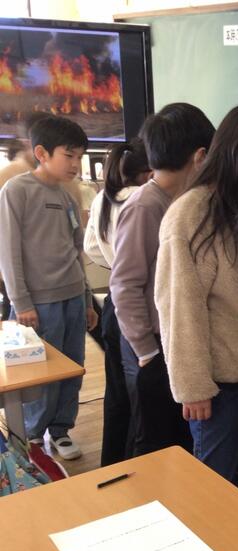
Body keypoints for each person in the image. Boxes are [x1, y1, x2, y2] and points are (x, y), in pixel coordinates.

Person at [155, 104, 238, 492]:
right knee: (214, 487)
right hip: (215, 384)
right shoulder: (191, 213)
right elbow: (180, 307)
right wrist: (193, 387)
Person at [110, 103, 215, 457]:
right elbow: (124, 285)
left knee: (173, 440)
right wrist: (146, 352)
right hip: (150, 344)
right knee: (153, 441)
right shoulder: (146, 205)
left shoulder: (180, 201)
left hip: (168, 342)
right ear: (200, 156)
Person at [0, 115, 98, 459]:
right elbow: (8, 252)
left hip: (73, 298)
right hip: (38, 304)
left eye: (80, 156)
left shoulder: (68, 196)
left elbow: (76, 252)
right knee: (40, 375)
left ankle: (60, 430)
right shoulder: (17, 191)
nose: (75, 164)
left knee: (72, 368)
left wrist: (87, 300)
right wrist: (22, 302)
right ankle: (31, 436)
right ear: (41, 153)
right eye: (69, 155)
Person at [84, 139, 151, 466]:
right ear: (148, 170)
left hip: (114, 301)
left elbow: (90, 247)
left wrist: (114, 262)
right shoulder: (143, 199)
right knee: (141, 400)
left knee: (117, 395)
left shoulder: (103, 198)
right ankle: (135, 467)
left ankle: (111, 464)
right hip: (138, 306)